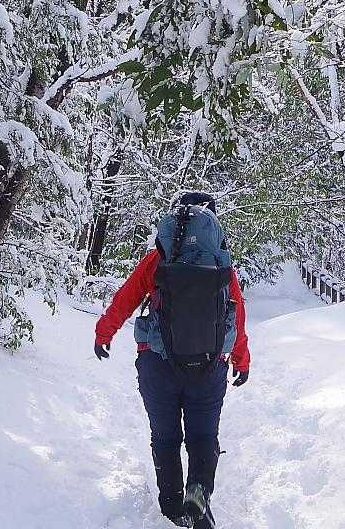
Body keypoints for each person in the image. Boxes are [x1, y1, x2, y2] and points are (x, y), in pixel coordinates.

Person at [93, 191, 251, 529]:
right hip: (209, 365)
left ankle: (171, 508)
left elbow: (126, 298)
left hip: (157, 363)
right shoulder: (221, 266)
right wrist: (241, 359)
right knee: (203, 437)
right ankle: (198, 493)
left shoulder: (157, 260)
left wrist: (104, 332)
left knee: (165, 437)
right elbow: (236, 317)